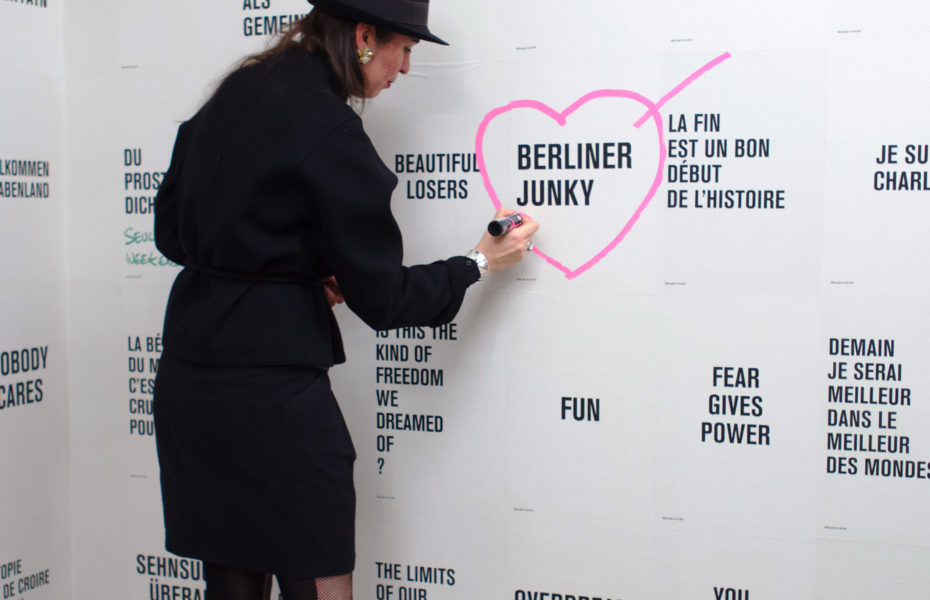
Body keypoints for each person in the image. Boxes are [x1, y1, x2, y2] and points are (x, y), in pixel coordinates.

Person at [152, 1, 538, 599]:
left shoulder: (236, 91)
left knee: (231, 580)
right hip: (273, 404)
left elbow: (172, 236)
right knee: (317, 571)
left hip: (191, 390)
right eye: (403, 48)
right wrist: (480, 261)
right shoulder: (327, 126)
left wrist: (294, 273)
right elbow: (385, 300)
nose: (404, 67)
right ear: (363, 36)